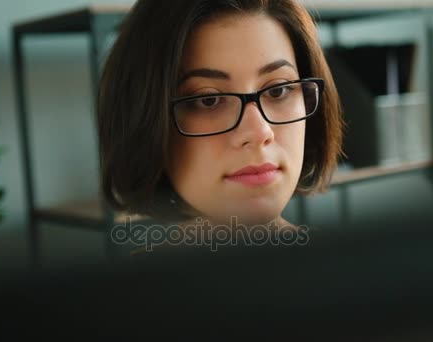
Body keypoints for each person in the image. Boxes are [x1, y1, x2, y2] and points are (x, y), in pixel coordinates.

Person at [96, 0, 344, 254]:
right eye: (208, 100)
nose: (260, 133)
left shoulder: (350, 269)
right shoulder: (128, 292)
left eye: (278, 90)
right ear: (147, 120)